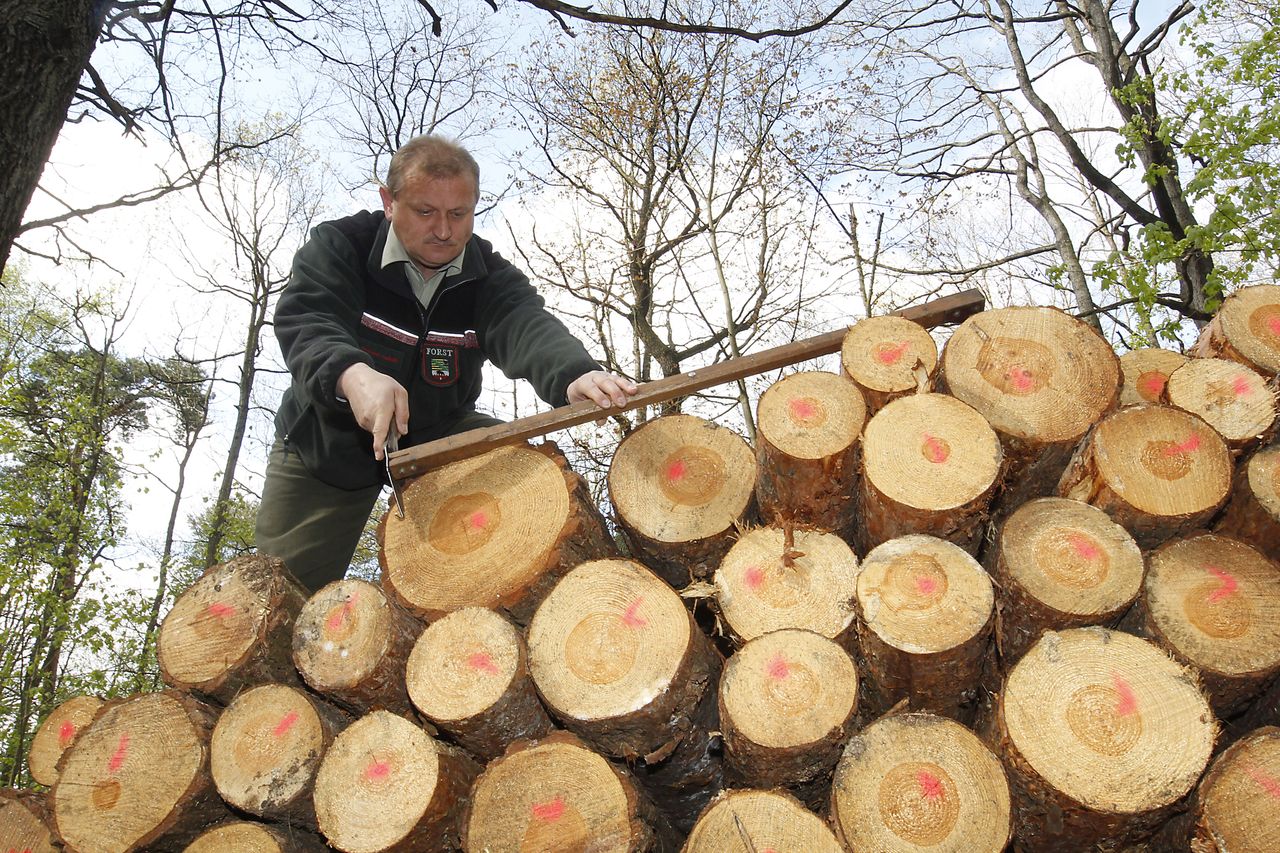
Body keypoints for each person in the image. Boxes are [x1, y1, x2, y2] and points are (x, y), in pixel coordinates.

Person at [256, 135, 637, 592]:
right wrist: (354, 377)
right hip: (325, 443)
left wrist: (575, 374)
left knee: (511, 465)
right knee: (285, 593)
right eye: (425, 212)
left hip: (436, 435)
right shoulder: (342, 246)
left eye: (459, 214)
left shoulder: (489, 276)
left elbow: (524, 324)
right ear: (389, 201)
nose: (444, 231)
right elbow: (310, 319)